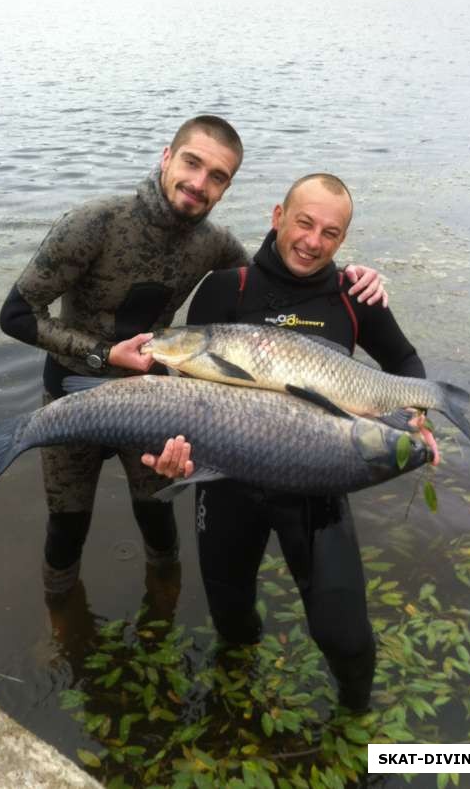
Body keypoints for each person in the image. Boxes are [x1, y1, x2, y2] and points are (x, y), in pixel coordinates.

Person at [0, 116, 386, 597]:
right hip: (71, 395)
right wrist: (103, 355)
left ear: (227, 187)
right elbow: (15, 315)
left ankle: (161, 614)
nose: (200, 183)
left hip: (153, 403)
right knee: (66, 527)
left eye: (218, 176)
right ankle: (61, 630)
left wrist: (348, 277)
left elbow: (278, 282)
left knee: (159, 520)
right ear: (167, 157)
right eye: (192, 163)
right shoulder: (95, 222)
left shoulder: (215, 244)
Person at [142, 173, 426, 714]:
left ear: (343, 241)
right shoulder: (228, 288)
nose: (314, 241)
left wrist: (410, 417)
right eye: (304, 222)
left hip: (317, 489)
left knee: (346, 637)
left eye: (331, 232)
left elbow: (407, 366)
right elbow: (186, 394)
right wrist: (173, 454)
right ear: (277, 216)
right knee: (231, 618)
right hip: (225, 484)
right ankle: (240, 709)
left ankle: (359, 731)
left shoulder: (355, 297)